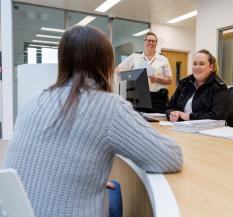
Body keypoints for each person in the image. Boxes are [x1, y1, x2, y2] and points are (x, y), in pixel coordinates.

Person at [4, 26, 182, 217]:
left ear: (62, 61)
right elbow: (171, 157)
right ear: (106, 63)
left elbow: (41, 159)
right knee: (115, 190)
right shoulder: (109, 106)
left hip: (17, 211)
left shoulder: (33, 100)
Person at [115, 32, 172, 113]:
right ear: (144, 42)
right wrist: (134, 74)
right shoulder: (135, 56)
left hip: (158, 98)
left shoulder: (163, 59)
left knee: (158, 123)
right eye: (148, 40)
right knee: (140, 121)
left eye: (153, 41)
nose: (151, 43)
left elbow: (170, 80)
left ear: (156, 43)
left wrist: (157, 79)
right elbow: (117, 69)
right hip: (139, 96)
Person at [166, 49, 229, 122]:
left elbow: (217, 116)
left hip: (206, 130)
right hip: (181, 126)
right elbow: (169, 107)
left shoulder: (219, 87)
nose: (197, 67)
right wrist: (172, 114)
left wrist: (189, 117)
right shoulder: (184, 83)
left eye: (202, 64)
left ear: (211, 67)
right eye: (195, 64)